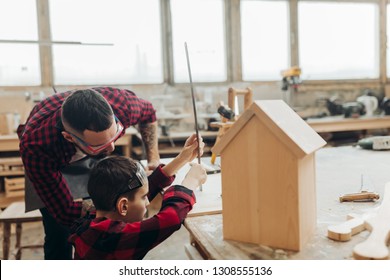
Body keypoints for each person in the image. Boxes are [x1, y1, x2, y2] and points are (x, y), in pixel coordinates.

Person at [18, 87, 161, 260]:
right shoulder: (36, 147)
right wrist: (112, 210)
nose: (112, 148)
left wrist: (154, 158)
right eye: (101, 145)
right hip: (52, 158)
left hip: (83, 151)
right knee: (59, 234)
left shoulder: (122, 104)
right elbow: (65, 211)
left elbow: (149, 114)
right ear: (69, 137)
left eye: (114, 135)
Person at [69, 135, 207, 259]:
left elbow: (139, 189)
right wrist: (191, 182)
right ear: (123, 206)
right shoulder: (114, 239)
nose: (147, 202)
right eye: (143, 197)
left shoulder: (93, 220)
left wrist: (182, 158)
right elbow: (170, 218)